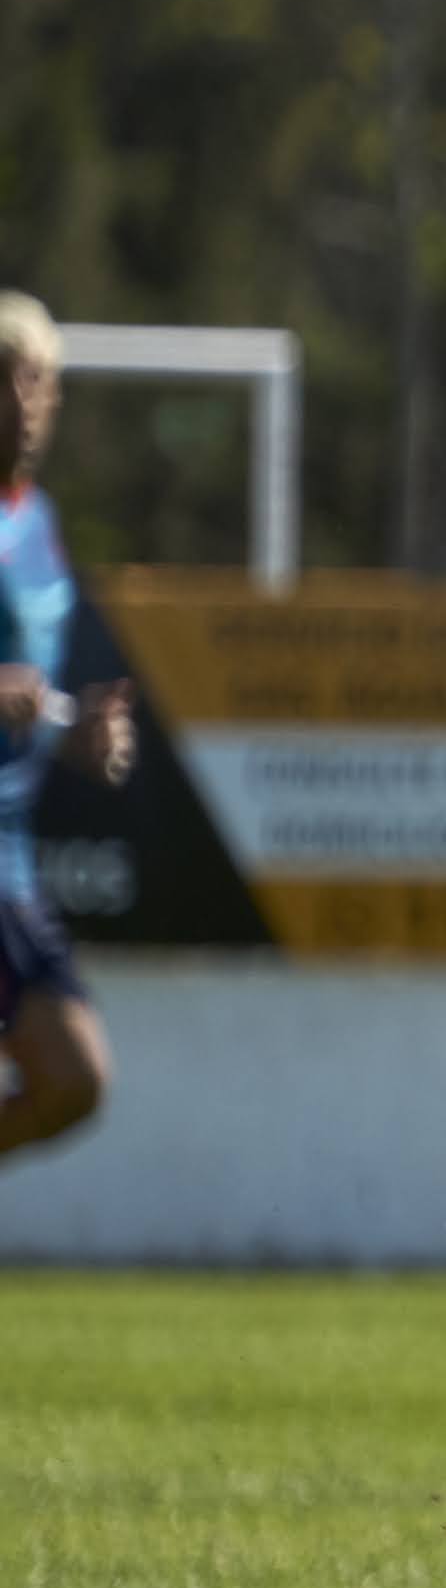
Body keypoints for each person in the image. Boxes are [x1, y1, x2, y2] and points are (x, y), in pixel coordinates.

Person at [0, 296, 137, 1170]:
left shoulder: (37, 524)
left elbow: (29, 702)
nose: (20, 399)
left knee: (73, 1083)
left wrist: (74, 736)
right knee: (73, 1070)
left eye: (36, 379)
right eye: (3, 380)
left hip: (10, 863)